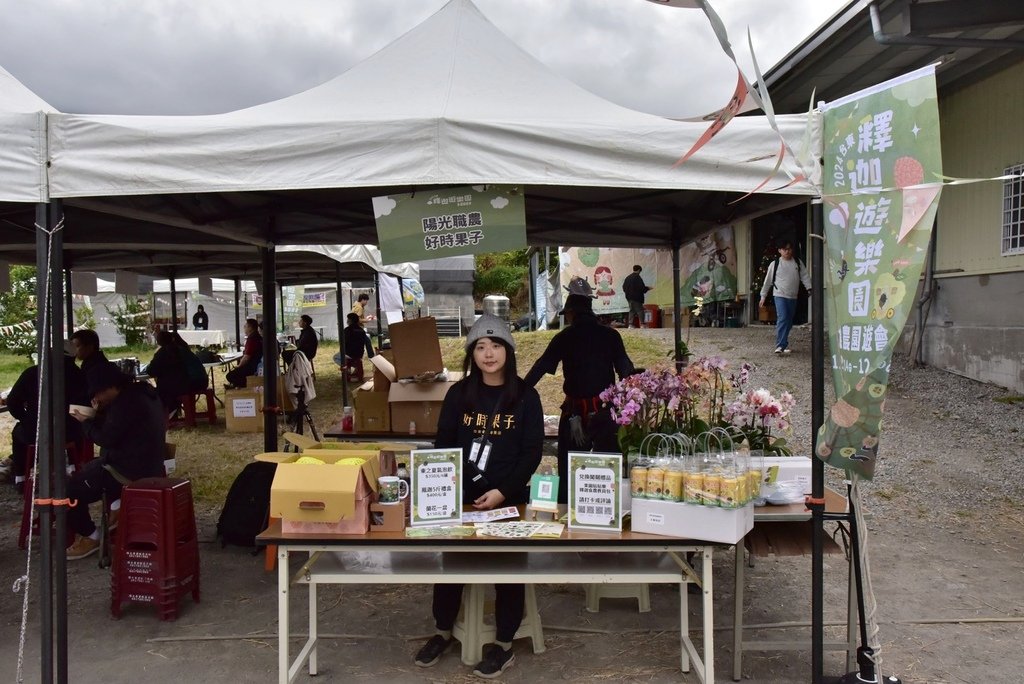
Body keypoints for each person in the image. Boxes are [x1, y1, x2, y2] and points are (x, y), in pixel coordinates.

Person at [414, 314, 543, 678]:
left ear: (509, 351)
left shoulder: (525, 396)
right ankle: (442, 631)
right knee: (452, 563)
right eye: (481, 347)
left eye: (496, 345)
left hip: (511, 499)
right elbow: (445, 443)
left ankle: (504, 643)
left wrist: (502, 492)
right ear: (471, 353)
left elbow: (532, 452)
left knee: (508, 567)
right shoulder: (459, 393)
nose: (488, 354)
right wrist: (468, 485)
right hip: (464, 499)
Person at [524, 277, 634, 504]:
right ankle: (608, 509)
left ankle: (566, 509)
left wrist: (519, 391)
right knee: (607, 468)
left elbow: (541, 367)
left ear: (571, 313)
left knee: (568, 468)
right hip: (606, 413)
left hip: (575, 412)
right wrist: (631, 403)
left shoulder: (564, 337)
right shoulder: (611, 336)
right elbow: (627, 371)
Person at [67, 362, 167, 560]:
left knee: (70, 490)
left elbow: (105, 439)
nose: (96, 398)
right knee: (91, 469)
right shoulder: (143, 393)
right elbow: (122, 430)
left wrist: (86, 422)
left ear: (111, 387)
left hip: (127, 470)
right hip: (151, 464)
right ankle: (117, 506)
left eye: (98, 393)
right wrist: (100, 414)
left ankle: (92, 536)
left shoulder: (126, 403)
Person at [4, 340, 89, 487]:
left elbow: (13, 402)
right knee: (79, 430)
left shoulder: (32, 373)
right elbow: (84, 408)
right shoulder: (80, 376)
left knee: (18, 433)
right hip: (69, 432)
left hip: (35, 431)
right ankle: (75, 469)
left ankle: (21, 477)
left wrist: (26, 419)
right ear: (72, 358)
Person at [759, 240, 811, 354]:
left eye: (789, 249)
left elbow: (805, 276)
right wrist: (763, 296)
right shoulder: (775, 264)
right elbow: (767, 281)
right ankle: (780, 345)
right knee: (783, 318)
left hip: (793, 296)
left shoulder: (797, 262)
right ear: (780, 251)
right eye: (784, 249)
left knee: (788, 320)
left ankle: (784, 343)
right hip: (779, 295)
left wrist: (809, 288)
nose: (787, 251)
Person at [147, 331, 208, 413]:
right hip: (201, 380)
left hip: (189, 383)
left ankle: (168, 414)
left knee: (162, 389)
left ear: (159, 341)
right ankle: (181, 414)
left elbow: (151, 371)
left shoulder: (164, 352)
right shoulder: (182, 349)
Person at [225, 318, 262, 388]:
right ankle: (237, 386)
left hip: (253, 367)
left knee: (230, 376)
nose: (244, 328)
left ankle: (243, 388)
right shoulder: (258, 337)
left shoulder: (252, 339)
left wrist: (239, 366)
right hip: (257, 364)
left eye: (245, 326)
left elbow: (247, 357)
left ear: (250, 328)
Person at [340, 312, 375, 382]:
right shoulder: (362, 331)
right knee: (356, 360)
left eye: (348, 319)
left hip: (348, 354)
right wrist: (371, 355)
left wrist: (343, 352)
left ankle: (348, 372)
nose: (347, 321)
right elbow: (367, 343)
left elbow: (343, 343)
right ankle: (356, 371)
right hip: (359, 354)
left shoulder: (347, 330)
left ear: (350, 321)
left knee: (336, 357)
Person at [622, 264, 653, 328]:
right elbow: (641, 288)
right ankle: (642, 324)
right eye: (640, 271)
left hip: (629, 297)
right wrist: (647, 288)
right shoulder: (637, 277)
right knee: (640, 310)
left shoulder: (628, 278)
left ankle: (630, 325)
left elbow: (624, 287)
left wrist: (628, 293)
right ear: (639, 270)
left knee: (632, 310)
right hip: (637, 297)